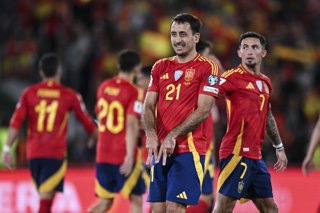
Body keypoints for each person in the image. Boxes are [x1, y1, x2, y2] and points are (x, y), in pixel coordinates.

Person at [142, 13, 220, 213]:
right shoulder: (160, 66)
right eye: (174, 34)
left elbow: (204, 109)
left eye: (183, 34)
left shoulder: (207, 67)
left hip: (188, 149)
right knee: (156, 210)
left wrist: (173, 135)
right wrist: (151, 135)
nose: (177, 39)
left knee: (174, 209)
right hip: (160, 150)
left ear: (196, 37)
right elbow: (148, 105)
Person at [2, 53, 97, 213]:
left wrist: (7, 149)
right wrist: (95, 138)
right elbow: (88, 124)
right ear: (59, 71)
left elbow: (16, 122)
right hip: (55, 155)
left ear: (41, 72)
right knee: (45, 202)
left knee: (46, 198)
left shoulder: (29, 93)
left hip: (33, 156)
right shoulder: (69, 95)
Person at [210, 31, 288, 213]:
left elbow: (267, 116)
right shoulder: (231, 77)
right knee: (223, 208)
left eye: (255, 47)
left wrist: (279, 147)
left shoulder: (265, 82)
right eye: (245, 47)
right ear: (239, 53)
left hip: (256, 156)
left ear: (263, 53)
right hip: (236, 153)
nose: (250, 51)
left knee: (271, 209)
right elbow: (209, 94)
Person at [88, 49, 145, 213]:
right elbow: (131, 123)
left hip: (103, 154)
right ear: (136, 68)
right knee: (136, 200)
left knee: (105, 202)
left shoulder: (103, 87)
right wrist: (129, 155)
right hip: (122, 153)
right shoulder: (134, 91)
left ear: (118, 65)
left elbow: (99, 116)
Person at [185, 40, 224, 213]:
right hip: (197, 146)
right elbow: (227, 85)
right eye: (209, 55)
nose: (212, 59)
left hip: (204, 146)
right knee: (203, 197)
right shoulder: (200, 80)